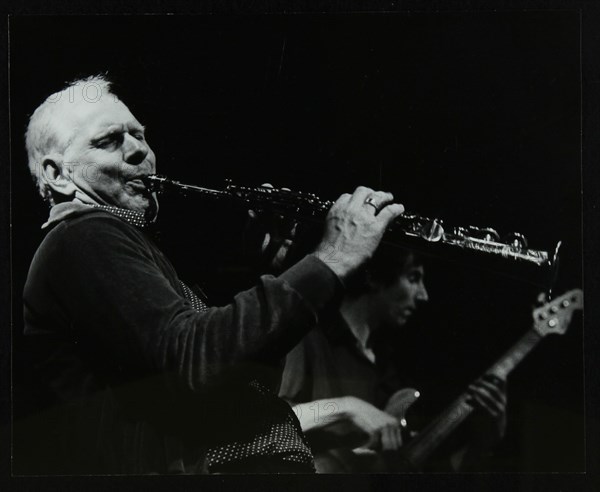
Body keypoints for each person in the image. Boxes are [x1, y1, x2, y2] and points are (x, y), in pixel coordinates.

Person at [17, 74, 405, 474]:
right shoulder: (82, 235)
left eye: (140, 136)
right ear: (57, 175)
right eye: (109, 141)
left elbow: (233, 387)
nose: (139, 152)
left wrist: (261, 271)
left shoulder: (119, 244)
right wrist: (333, 258)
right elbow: (193, 363)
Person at [279, 247, 508, 472]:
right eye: (413, 277)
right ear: (374, 277)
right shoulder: (309, 338)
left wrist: (485, 437)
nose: (423, 295)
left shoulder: (388, 367)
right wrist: (347, 408)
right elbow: (267, 422)